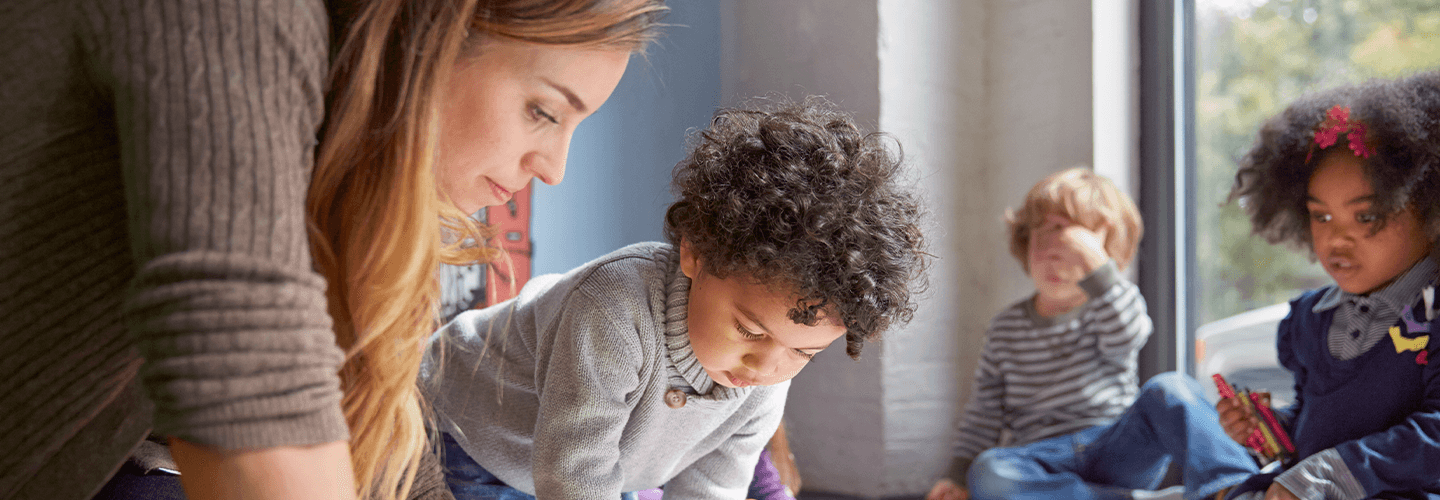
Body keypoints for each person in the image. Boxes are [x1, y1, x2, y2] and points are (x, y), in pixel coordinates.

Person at [0, 0, 664, 499]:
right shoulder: (239, 22)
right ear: (431, 33)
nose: (554, 168)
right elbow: (252, 402)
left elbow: (381, 454)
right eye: (544, 111)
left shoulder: (318, 153)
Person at [421, 97, 929, 499]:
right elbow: (573, 470)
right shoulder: (613, 310)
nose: (766, 365)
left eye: (804, 353)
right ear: (695, 253)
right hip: (471, 435)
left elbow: (714, 487)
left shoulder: (767, 372)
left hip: (596, 470)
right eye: (750, 330)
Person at [927, 168, 1256, 500]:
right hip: (1041, 460)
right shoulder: (1005, 329)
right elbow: (983, 413)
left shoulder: (1109, 306)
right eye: (1041, 242)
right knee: (989, 471)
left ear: (1105, 255)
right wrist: (958, 475)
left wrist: (1094, 263)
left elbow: (1130, 333)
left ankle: (1236, 487)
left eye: (1069, 250)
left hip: (1113, 445)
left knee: (1172, 388)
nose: (1054, 261)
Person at [1219, 71, 1440, 499]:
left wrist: (1323, 477)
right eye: (1321, 217)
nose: (1337, 239)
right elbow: (1315, 428)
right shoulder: (1309, 319)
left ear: (1431, 213)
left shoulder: (1431, 316)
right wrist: (1270, 430)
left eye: (1366, 216)